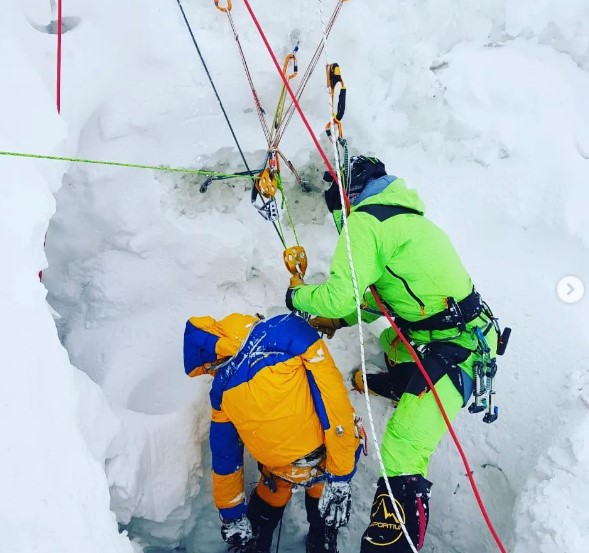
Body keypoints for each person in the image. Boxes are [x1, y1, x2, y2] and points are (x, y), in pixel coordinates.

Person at [285, 156, 507, 552]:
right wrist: (339, 323)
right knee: (391, 343)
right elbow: (383, 296)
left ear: (349, 195)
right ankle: (408, 383)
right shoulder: (403, 218)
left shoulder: (365, 223)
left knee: (402, 446)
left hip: (460, 351)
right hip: (452, 333)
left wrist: (297, 297)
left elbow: (340, 296)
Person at [184, 312, 361, 553]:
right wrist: (340, 476)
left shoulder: (220, 391)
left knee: (273, 487)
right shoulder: (286, 329)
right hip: (327, 456)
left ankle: (254, 538)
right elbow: (333, 401)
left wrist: (231, 513)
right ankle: (322, 539)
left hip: (281, 468)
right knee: (321, 490)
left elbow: (226, 456)